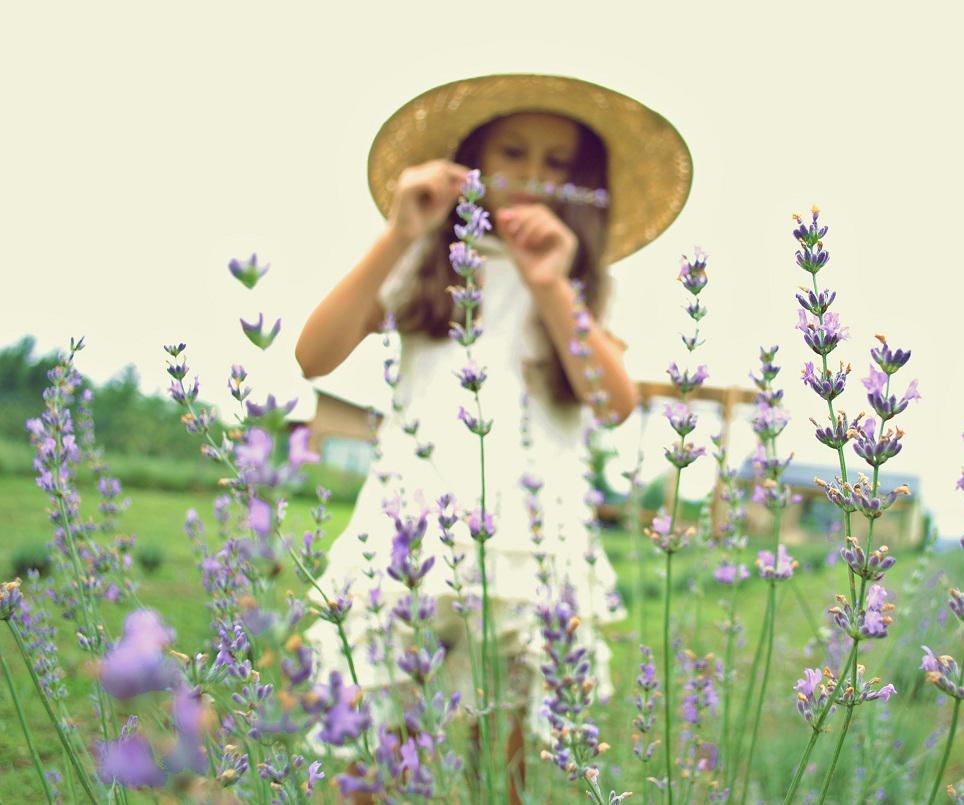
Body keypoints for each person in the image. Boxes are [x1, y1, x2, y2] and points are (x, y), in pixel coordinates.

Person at [294, 73, 692, 802]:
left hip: (532, 537)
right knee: (378, 743)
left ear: (582, 185)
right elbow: (313, 356)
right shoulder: (427, 259)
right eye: (513, 152)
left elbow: (615, 403)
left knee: (505, 764)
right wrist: (400, 231)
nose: (534, 174)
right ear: (472, 161)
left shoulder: (578, 284)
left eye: (557, 162)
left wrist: (551, 284)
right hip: (409, 522)